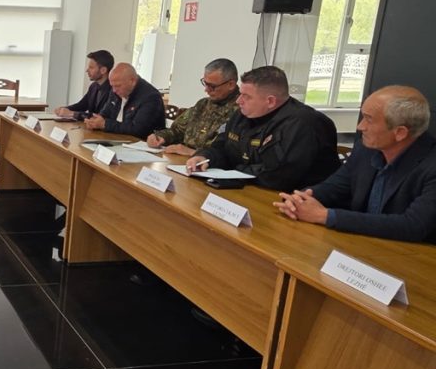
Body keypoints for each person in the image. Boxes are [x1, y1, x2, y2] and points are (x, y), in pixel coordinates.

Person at [274, 86, 436, 242]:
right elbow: (333, 188)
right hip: (362, 245)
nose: (360, 126)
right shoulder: (366, 150)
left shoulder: (431, 165)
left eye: (369, 120)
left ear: (400, 132)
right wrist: (299, 200)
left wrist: (324, 215)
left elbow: (413, 225)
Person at [186, 65, 339, 191]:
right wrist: (205, 157)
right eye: (240, 94)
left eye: (246, 96)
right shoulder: (242, 115)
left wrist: (234, 169)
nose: (238, 101)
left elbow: (278, 176)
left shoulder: (304, 124)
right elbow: (222, 146)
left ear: (270, 101)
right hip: (250, 190)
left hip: (296, 201)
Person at [147, 58, 240, 155]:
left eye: (212, 86)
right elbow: (177, 130)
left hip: (205, 162)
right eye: (205, 83)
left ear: (231, 84)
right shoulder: (203, 104)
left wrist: (192, 152)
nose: (206, 90)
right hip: (180, 160)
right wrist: (160, 137)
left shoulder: (241, 111)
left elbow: (230, 155)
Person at [84, 63, 165, 139]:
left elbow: (138, 130)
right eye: (112, 86)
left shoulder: (151, 97)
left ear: (132, 81)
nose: (114, 90)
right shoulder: (116, 90)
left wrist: (105, 124)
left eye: (118, 86)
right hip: (116, 138)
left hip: (139, 143)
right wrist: (95, 122)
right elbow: (105, 114)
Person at [54, 50, 114, 119]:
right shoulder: (93, 86)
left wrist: (72, 114)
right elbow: (82, 105)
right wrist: (64, 109)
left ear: (103, 70)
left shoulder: (114, 89)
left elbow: (100, 117)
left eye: (91, 67)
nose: (87, 70)